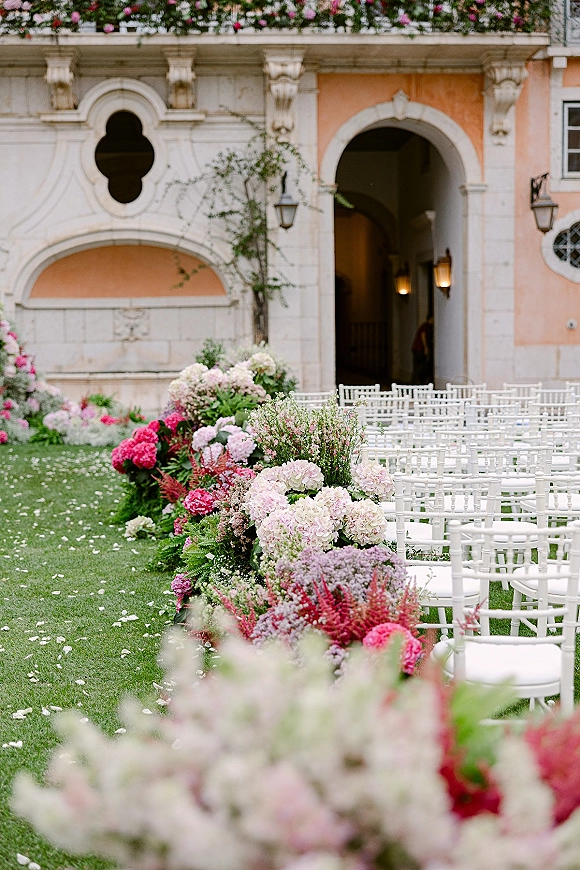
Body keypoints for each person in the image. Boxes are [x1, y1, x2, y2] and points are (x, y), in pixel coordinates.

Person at [411, 314, 434, 384]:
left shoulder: (427, 326)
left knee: (421, 366)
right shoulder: (426, 326)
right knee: (419, 367)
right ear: (430, 319)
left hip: (417, 348)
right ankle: (415, 383)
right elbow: (423, 335)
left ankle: (419, 383)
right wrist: (425, 347)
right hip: (419, 349)